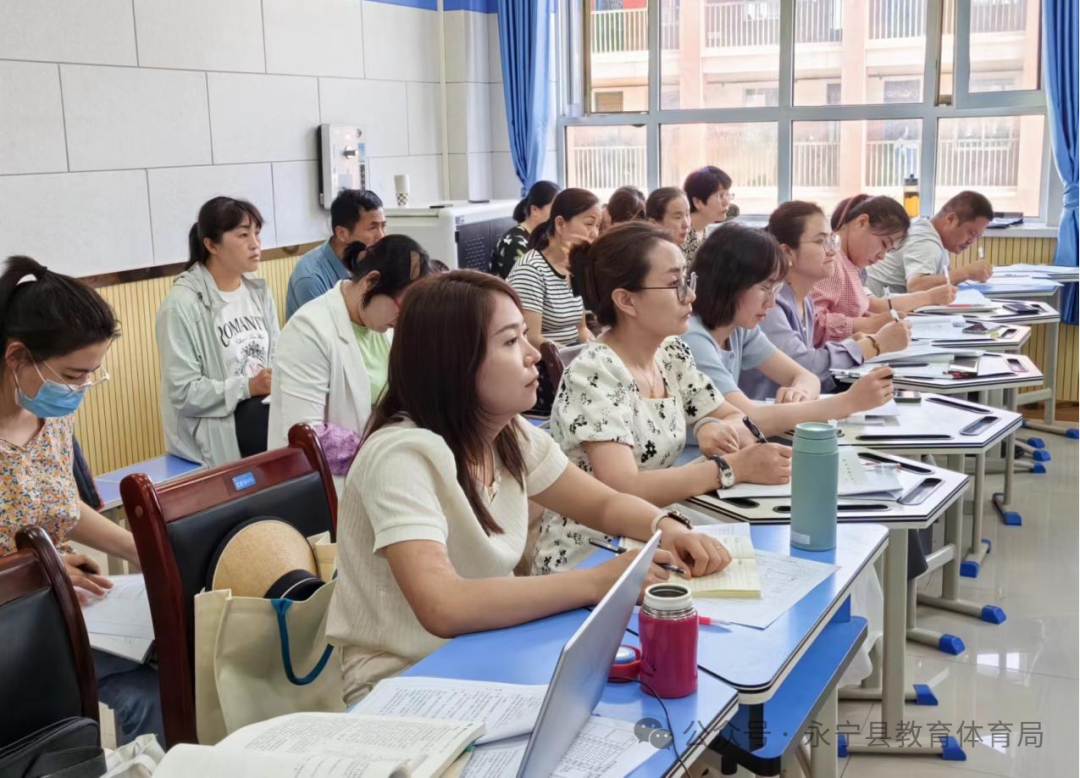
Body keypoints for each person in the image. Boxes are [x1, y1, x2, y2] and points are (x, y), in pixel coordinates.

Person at [325, 270, 731, 702]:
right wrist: (598, 582)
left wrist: (668, 527)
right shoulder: (401, 456)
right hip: (402, 679)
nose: (534, 355)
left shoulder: (506, 434)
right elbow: (442, 604)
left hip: (486, 647)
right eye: (509, 341)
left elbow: (606, 505)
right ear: (452, 362)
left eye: (525, 336)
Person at [532, 222, 793, 574]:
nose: (690, 296)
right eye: (675, 285)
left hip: (656, 530)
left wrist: (710, 424)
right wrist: (732, 468)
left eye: (688, 281)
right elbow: (624, 487)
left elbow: (735, 416)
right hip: (595, 552)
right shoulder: (594, 374)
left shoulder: (670, 353)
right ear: (626, 300)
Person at [0, 256, 164, 746]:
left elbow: (62, 503)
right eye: (73, 375)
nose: (80, 390)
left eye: (91, 374)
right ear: (16, 358)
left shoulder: (47, 412)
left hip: (50, 613)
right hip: (17, 623)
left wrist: (146, 549)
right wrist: (38, 573)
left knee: (158, 683)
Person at [681, 223, 897, 436]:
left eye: (776, 288)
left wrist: (799, 393)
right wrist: (847, 403)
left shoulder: (739, 328)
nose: (771, 301)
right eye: (765, 287)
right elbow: (747, 419)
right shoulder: (692, 338)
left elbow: (807, 376)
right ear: (728, 282)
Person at [269, 236, 433, 485]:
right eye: (402, 307)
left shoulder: (384, 328)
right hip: (328, 485)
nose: (403, 320)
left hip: (382, 469)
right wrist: (383, 452)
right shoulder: (309, 330)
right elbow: (306, 434)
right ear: (371, 282)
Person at [741, 201, 912, 398]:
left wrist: (853, 343)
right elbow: (804, 368)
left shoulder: (803, 300)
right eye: (821, 242)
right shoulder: (770, 302)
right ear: (787, 252)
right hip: (765, 418)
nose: (832, 250)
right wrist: (874, 344)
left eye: (832, 240)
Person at [157, 196, 280, 467]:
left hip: (261, 415)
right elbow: (183, 392)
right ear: (212, 245)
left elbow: (278, 359)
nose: (255, 244)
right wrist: (248, 387)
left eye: (257, 234)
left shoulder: (258, 292)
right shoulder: (181, 305)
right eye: (243, 235)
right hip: (214, 436)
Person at [811, 195, 956, 347]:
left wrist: (872, 321)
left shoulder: (850, 265)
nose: (882, 256)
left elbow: (856, 308)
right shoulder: (831, 262)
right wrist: (866, 324)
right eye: (883, 244)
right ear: (861, 223)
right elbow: (810, 325)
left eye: (889, 250)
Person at [507, 188, 600, 414]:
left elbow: (581, 328)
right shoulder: (531, 270)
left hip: (569, 364)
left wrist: (594, 349)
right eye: (589, 224)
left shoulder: (574, 267)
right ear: (560, 224)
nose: (595, 233)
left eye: (598, 225)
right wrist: (576, 361)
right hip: (541, 371)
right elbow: (532, 338)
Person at [866, 190, 994, 296]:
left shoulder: (931, 231)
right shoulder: (926, 242)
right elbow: (916, 286)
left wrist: (965, 274)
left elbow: (943, 276)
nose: (971, 241)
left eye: (978, 237)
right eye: (971, 233)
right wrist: (966, 273)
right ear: (950, 219)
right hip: (880, 312)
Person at [285, 189, 387, 319]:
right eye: (372, 228)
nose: (382, 236)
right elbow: (325, 334)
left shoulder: (369, 261)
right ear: (342, 234)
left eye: (383, 226)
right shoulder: (311, 278)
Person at [489, 181, 560, 279]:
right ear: (535, 210)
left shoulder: (544, 237)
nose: (559, 215)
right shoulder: (514, 243)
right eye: (555, 209)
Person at [682, 166, 734, 259]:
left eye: (728, 195)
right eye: (721, 196)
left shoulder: (703, 228)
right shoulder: (682, 233)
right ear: (697, 202)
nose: (727, 202)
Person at [645, 187, 692, 257]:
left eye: (687, 214)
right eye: (678, 217)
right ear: (653, 223)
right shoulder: (650, 259)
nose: (686, 224)